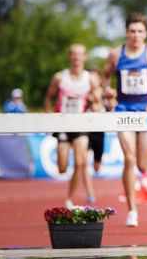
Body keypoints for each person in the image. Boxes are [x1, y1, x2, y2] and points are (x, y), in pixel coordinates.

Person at [103, 12, 147, 227]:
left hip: (145, 113)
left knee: (142, 166)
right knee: (129, 159)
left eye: (140, 31)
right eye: (132, 31)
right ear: (126, 32)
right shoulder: (116, 54)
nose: (136, 35)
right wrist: (107, 92)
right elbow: (104, 78)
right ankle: (132, 210)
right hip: (123, 111)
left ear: (145, 33)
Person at [44, 44, 103, 208]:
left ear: (85, 57)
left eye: (80, 55)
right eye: (74, 55)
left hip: (81, 125)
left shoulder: (89, 78)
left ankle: (69, 198)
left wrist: (96, 104)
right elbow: (48, 98)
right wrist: (49, 117)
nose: (77, 58)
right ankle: (69, 191)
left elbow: (98, 100)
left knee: (81, 162)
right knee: (62, 168)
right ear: (69, 56)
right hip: (63, 125)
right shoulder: (59, 77)